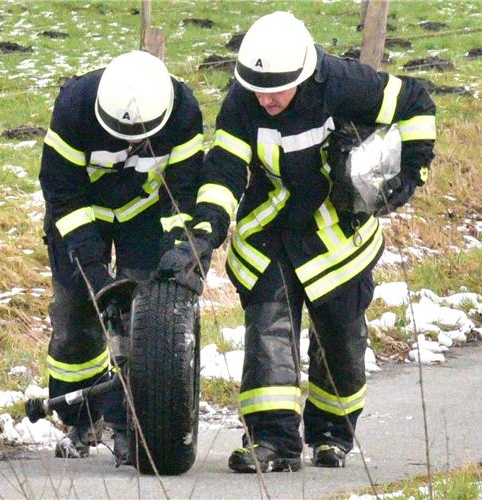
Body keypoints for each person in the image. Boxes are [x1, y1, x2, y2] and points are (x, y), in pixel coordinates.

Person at [168, 11, 436, 472]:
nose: (266, 99)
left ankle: (332, 435)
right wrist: (205, 230)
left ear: (303, 74)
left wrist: (410, 173)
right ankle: (271, 442)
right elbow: (225, 169)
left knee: (341, 341)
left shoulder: (344, 84)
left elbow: (415, 102)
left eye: (277, 89)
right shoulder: (242, 102)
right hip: (270, 234)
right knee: (268, 334)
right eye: (258, 88)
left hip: (337, 235)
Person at [39, 50, 204, 463]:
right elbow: (62, 192)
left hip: (144, 217)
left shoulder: (183, 113)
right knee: (73, 317)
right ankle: (80, 418)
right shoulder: (74, 108)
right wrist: (94, 272)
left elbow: (183, 192)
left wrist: (179, 249)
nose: (130, 143)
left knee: (143, 321)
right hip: (81, 216)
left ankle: (133, 424)